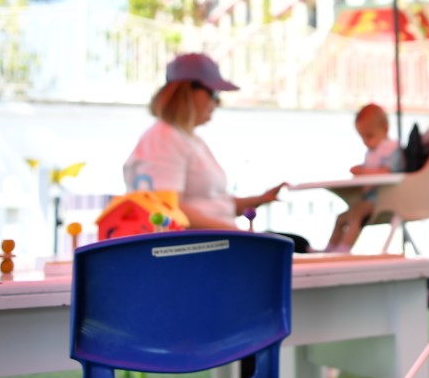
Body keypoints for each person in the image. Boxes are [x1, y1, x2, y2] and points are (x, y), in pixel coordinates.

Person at [123, 52, 303, 242]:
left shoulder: (187, 138)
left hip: (214, 242)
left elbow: (212, 205)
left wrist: (257, 200)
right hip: (197, 248)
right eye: (213, 93)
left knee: (297, 242)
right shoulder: (163, 139)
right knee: (294, 245)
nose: (217, 103)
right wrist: (240, 235)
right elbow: (167, 209)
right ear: (186, 91)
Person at [323, 103, 405, 252]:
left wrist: (363, 171)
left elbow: (386, 173)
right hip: (368, 199)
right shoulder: (372, 152)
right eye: (362, 137)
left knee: (357, 213)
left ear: (385, 128)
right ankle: (328, 250)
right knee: (341, 218)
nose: (366, 142)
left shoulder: (392, 150)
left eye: (369, 136)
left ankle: (343, 250)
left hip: (385, 200)